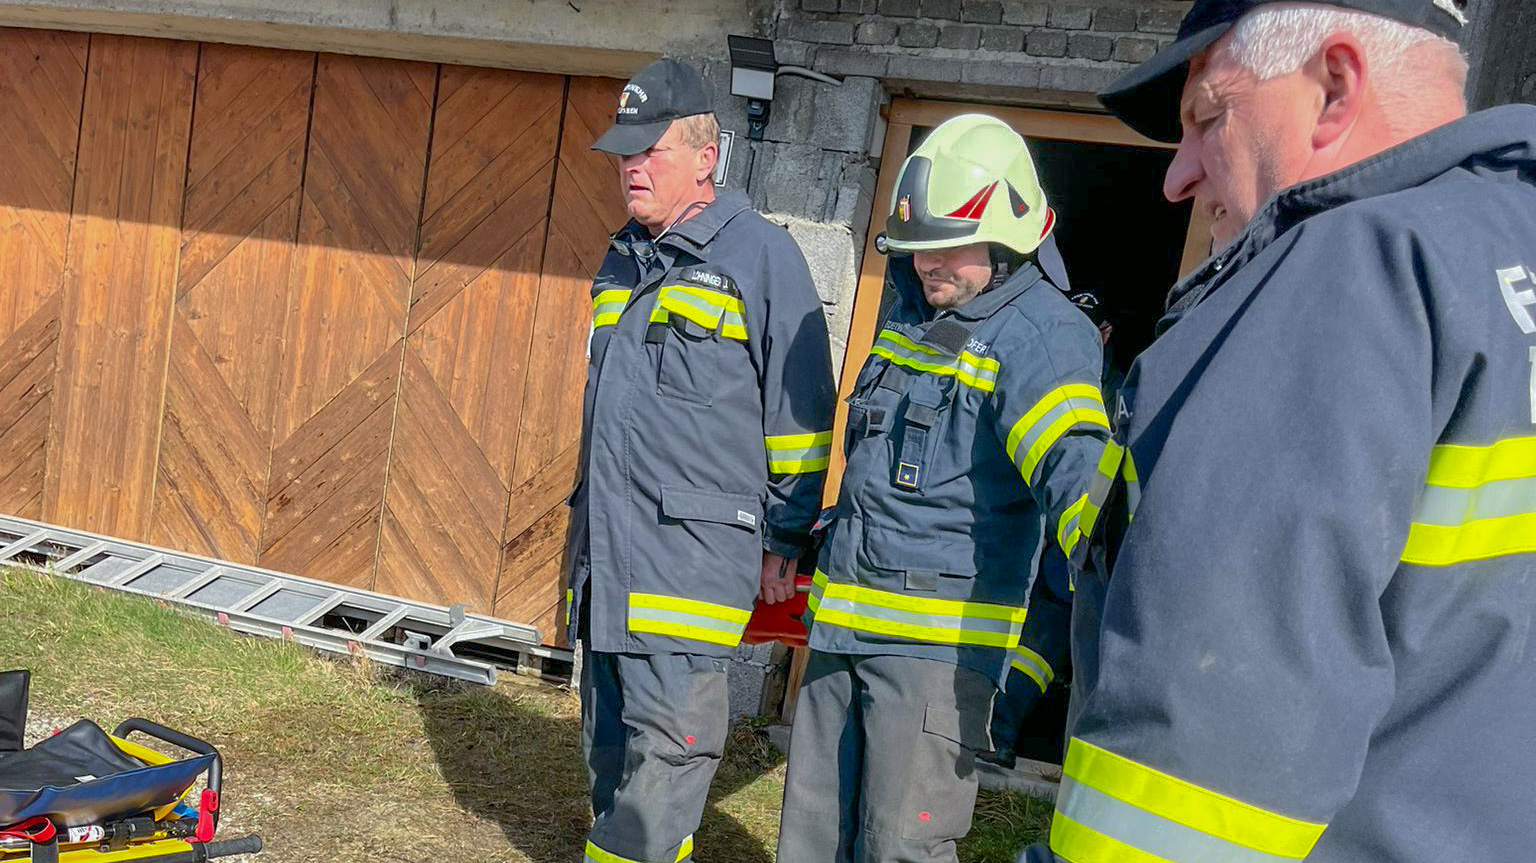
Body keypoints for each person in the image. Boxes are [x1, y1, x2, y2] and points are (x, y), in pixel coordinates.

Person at [1021, 0, 1536, 860]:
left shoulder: (1349, 271)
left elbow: (1195, 771)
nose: (1175, 178)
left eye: (1206, 117)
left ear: (1335, 85)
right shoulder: (1500, 257)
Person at [774, 114, 1110, 863]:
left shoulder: (1040, 336)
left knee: (900, 847)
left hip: (936, 657)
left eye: (947, 244)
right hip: (842, 637)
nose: (929, 263)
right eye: (917, 244)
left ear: (1010, 233)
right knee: (811, 843)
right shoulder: (913, 316)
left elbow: (1075, 470)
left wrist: (1128, 586)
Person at [566, 57, 836, 863]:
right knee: (611, 772)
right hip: (606, 570)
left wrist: (784, 538)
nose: (632, 167)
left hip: (686, 575)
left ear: (705, 156)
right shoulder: (621, 258)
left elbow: (802, 420)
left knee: (657, 791)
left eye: (650, 150)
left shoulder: (761, 259)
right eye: (624, 153)